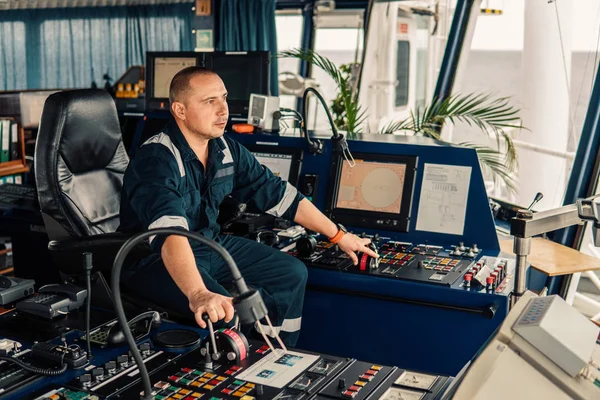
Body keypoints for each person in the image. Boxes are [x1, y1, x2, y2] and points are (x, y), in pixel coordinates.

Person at [119, 66, 378, 346]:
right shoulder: (157, 159)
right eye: (210, 101)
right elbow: (170, 235)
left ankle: (276, 352)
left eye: (224, 98)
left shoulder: (225, 149)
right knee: (223, 313)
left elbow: (279, 195)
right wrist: (198, 293)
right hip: (153, 258)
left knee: (290, 274)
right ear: (180, 110)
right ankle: (232, 375)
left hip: (208, 244)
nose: (223, 110)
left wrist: (339, 236)